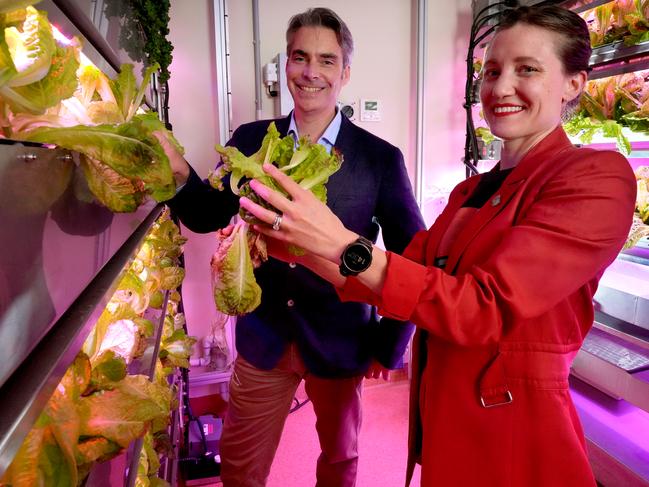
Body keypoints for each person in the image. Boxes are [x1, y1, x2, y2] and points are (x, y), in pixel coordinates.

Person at [238, 5, 637, 487]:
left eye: (526, 69)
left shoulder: (595, 176)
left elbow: (483, 307)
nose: (500, 86)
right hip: (444, 423)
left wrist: (341, 243)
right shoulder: (470, 193)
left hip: (511, 432)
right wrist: (293, 245)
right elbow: (397, 273)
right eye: (491, 71)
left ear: (574, 83)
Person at [160, 7, 424, 487]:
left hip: (342, 339)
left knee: (341, 460)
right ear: (287, 66)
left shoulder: (379, 159)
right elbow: (208, 214)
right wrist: (178, 172)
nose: (310, 72)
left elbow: (412, 257)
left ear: (344, 72)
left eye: (326, 60)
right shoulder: (250, 140)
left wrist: (390, 348)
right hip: (265, 335)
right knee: (240, 464)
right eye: (300, 57)